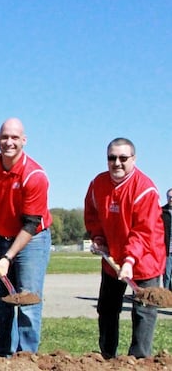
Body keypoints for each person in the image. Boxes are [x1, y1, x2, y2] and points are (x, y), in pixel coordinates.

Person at [0, 117, 52, 357]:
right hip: (2, 237)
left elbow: (31, 223)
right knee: (2, 300)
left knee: (27, 300)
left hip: (33, 239)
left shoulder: (34, 175)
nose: (9, 142)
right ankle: (5, 356)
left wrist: (7, 257)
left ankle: (26, 357)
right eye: (5, 137)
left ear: (24, 141)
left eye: (15, 138)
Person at [84, 137, 165, 359]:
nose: (117, 163)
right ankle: (107, 356)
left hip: (145, 258)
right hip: (113, 257)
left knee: (143, 310)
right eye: (112, 158)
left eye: (123, 158)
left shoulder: (144, 189)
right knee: (107, 309)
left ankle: (138, 360)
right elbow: (92, 215)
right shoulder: (97, 184)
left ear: (133, 159)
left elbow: (143, 231)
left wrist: (129, 261)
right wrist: (98, 238)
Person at [163, 188, 172, 290]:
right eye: (169, 197)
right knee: (167, 275)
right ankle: (166, 297)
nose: (171, 199)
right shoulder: (162, 212)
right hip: (167, 250)